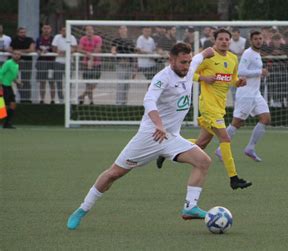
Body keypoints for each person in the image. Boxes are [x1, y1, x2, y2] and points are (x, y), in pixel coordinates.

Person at [66, 43, 215, 230]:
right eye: (182, 62)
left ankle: (190, 207)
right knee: (113, 174)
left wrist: (210, 50)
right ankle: (83, 209)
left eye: (188, 61)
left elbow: (202, 55)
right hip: (150, 136)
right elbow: (149, 100)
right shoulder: (162, 78)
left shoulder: (191, 65)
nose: (187, 66)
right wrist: (159, 124)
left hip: (171, 137)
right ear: (171, 60)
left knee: (203, 161)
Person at [157, 29, 252, 190]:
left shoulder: (233, 58)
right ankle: (234, 178)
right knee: (225, 138)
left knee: (201, 144)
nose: (224, 41)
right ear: (215, 41)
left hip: (220, 107)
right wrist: (203, 78)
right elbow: (188, 73)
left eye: (226, 39)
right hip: (208, 106)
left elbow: (232, 79)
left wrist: (238, 82)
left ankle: (166, 150)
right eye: (220, 39)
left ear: (230, 41)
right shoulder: (208, 57)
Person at [215, 31, 270, 162]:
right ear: (251, 41)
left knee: (266, 118)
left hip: (255, 93)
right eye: (256, 39)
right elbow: (241, 71)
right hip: (245, 93)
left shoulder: (257, 54)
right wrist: (259, 72)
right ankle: (220, 149)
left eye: (260, 38)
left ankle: (250, 148)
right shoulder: (248, 53)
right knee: (237, 122)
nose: (258, 41)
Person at [52, 26, 78, 103]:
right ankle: (61, 99)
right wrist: (58, 51)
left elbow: (75, 48)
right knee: (58, 81)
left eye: (66, 30)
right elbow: (54, 48)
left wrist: (65, 52)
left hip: (69, 62)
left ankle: (68, 98)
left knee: (69, 81)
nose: (64, 32)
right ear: (60, 31)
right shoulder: (57, 37)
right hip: (58, 62)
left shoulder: (72, 37)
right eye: (63, 30)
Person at [77, 25, 102, 105]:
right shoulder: (83, 39)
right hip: (85, 64)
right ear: (85, 31)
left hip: (96, 64)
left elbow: (98, 49)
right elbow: (79, 49)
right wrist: (87, 53)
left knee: (94, 83)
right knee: (88, 84)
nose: (89, 32)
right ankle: (91, 101)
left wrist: (91, 57)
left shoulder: (98, 38)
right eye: (87, 30)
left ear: (93, 31)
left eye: (91, 30)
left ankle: (82, 96)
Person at [111, 25, 135, 105]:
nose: (123, 30)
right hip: (120, 65)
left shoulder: (130, 41)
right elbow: (113, 49)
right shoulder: (116, 40)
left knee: (126, 85)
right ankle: (119, 103)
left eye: (125, 28)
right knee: (120, 84)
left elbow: (133, 54)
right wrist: (114, 52)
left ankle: (124, 103)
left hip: (129, 66)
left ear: (127, 30)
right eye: (121, 29)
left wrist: (135, 68)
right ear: (119, 30)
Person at [10, 27, 35, 103]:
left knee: (26, 80)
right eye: (21, 32)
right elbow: (10, 49)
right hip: (16, 63)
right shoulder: (14, 40)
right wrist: (15, 52)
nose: (23, 33)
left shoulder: (30, 39)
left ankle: (27, 98)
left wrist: (18, 51)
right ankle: (21, 97)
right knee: (16, 80)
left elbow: (31, 49)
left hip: (27, 63)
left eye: (24, 32)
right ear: (18, 33)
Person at [0, 50, 21, 128]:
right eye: (15, 54)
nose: (17, 55)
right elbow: (1, 72)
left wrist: (17, 82)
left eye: (18, 54)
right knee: (2, 105)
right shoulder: (8, 63)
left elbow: (13, 76)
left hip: (9, 86)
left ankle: (7, 123)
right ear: (12, 55)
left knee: (12, 104)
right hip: (3, 85)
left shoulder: (17, 65)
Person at [36, 24, 55, 104]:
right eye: (44, 28)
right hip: (41, 63)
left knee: (51, 82)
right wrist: (38, 51)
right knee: (42, 82)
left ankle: (52, 100)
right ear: (42, 29)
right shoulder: (38, 38)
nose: (46, 30)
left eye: (48, 28)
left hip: (51, 63)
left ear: (51, 29)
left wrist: (48, 51)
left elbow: (55, 49)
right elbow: (35, 48)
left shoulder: (53, 39)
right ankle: (42, 99)